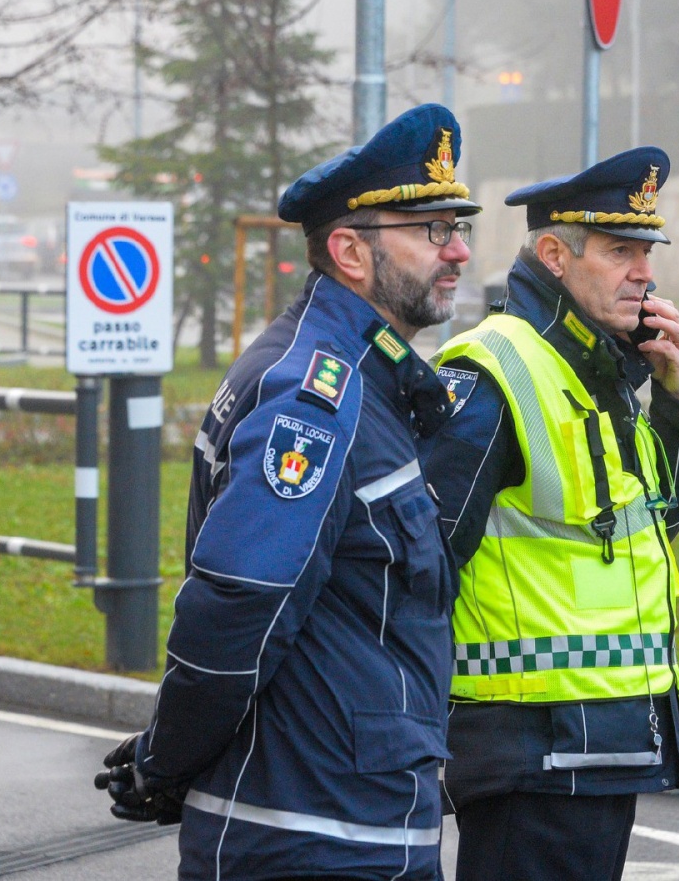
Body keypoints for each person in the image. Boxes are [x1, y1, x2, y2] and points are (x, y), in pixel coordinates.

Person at [95, 104, 478, 881]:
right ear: (350, 251)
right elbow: (240, 606)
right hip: (306, 837)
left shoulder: (371, 382)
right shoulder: (315, 398)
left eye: (456, 226)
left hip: (359, 824)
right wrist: (167, 760)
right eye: (432, 229)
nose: (459, 249)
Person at [422, 147, 679, 881]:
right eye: (620, 251)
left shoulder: (597, 369)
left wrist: (677, 398)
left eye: (646, 252)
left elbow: (649, 528)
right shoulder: (492, 370)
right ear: (555, 255)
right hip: (532, 750)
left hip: (599, 741)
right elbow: (420, 564)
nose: (644, 272)